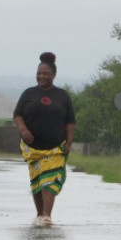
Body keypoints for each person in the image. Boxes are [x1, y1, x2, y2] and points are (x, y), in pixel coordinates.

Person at [13, 51, 76, 226]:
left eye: (45, 73)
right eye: (39, 73)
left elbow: (70, 121)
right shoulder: (28, 94)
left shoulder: (63, 96)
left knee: (50, 179)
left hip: (56, 148)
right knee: (37, 181)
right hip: (33, 150)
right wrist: (24, 130)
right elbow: (17, 115)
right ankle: (40, 214)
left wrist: (69, 141)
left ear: (53, 76)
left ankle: (47, 215)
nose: (41, 76)